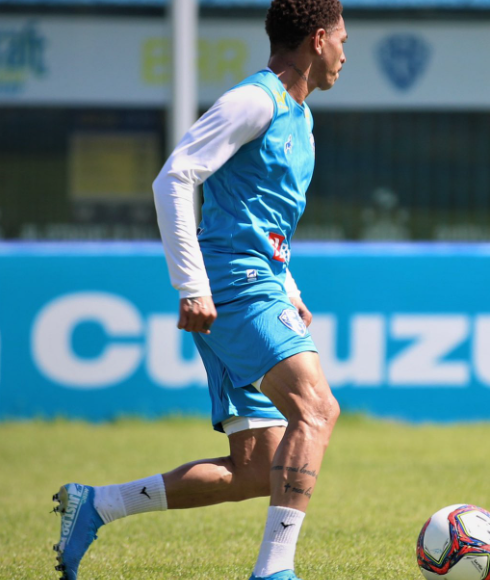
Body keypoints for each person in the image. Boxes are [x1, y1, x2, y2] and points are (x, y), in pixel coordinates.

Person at [52, 1, 346, 579]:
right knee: (316, 409)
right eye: (342, 42)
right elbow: (175, 175)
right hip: (233, 284)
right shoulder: (255, 100)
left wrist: (287, 283)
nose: (344, 56)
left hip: (255, 281)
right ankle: (274, 572)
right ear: (317, 40)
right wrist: (191, 285)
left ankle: (96, 505)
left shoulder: (301, 119)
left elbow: (264, 216)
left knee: (258, 470)